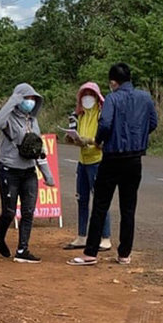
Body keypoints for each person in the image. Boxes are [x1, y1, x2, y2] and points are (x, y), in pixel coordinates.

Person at [68, 63, 157, 266]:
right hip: (135, 159)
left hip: (112, 157)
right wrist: (138, 136)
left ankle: (90, 253)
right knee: (128, 207)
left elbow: (106, 123)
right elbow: (153, 122)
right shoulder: (145, 97)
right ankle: (124, 254)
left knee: (100, 204)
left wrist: (99, 140)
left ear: (113, 82)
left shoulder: (113, 99)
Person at [0, 83, 55, 264]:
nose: (30, 102)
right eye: (26, 98)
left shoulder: (33, 121)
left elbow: (38, 148)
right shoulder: (9, 119)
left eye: (33, 99)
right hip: (8, 170)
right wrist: (13, 100)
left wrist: (48, 175)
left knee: (28, 211)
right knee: (9, 211)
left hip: (28, 171)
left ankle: (22, 249)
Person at [63, 82, 112, 251]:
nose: (87, 97)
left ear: (97, 96)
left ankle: (105, 237)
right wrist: (73, 140)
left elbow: (105, 141)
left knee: (100, 200)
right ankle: (82, 236)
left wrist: (90, 141)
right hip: (83, 162)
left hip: (98, 161)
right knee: (81, 199)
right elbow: (78, 136)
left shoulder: (102, 115)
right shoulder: (80, 115)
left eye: (90, 94)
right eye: (84, 94)